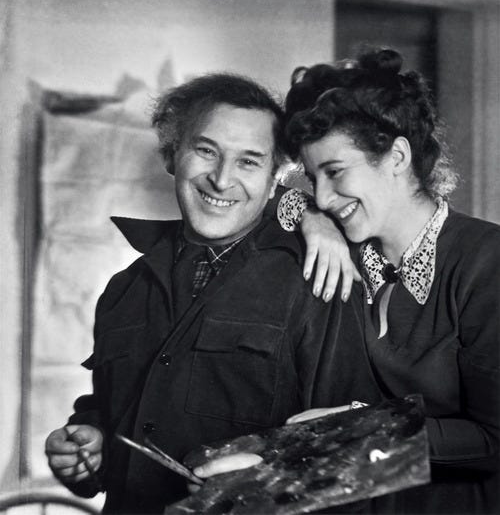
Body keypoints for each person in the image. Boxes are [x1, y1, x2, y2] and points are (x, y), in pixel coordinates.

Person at [45, 73, 375, 514]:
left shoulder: (320, 277)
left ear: (276, 178)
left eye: (249, 162)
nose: (221, 179)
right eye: (206, 151)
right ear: (171, 155)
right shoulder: (124, 288)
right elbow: (109, 414)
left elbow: (356, 447)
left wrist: (265, 482)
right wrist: (89, 445)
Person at [277, 48, 500, 513]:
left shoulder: (486, 261)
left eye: (335, 172)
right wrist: (309, 215)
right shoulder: (341, 245)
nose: (323, 195)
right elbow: (248, 194)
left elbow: (493, 439)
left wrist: (361, 427)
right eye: (312, 178)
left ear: (397, 156)